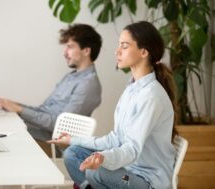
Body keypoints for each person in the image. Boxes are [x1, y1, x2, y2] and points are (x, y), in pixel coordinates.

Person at [48, 21, 178, 189]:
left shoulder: (151, 96)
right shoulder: (131, 89)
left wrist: (103, 158)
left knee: (98, 171)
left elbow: (132, 149)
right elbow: (115, 139)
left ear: (144, 52)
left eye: (124, 46)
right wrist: (72, 140)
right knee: (73, 153)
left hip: (146, 179)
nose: (117, 51)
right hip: (126, 169)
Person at [0, 24, 102, 156]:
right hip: (40, 134)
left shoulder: (89, 85)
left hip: (53, 145)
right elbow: (44, 110)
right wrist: (13, 105)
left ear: (86, 51)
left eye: (70, 47)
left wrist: (20, 110)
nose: (64, 53)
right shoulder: (71, 77)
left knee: (5, 139)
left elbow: (60, 127)